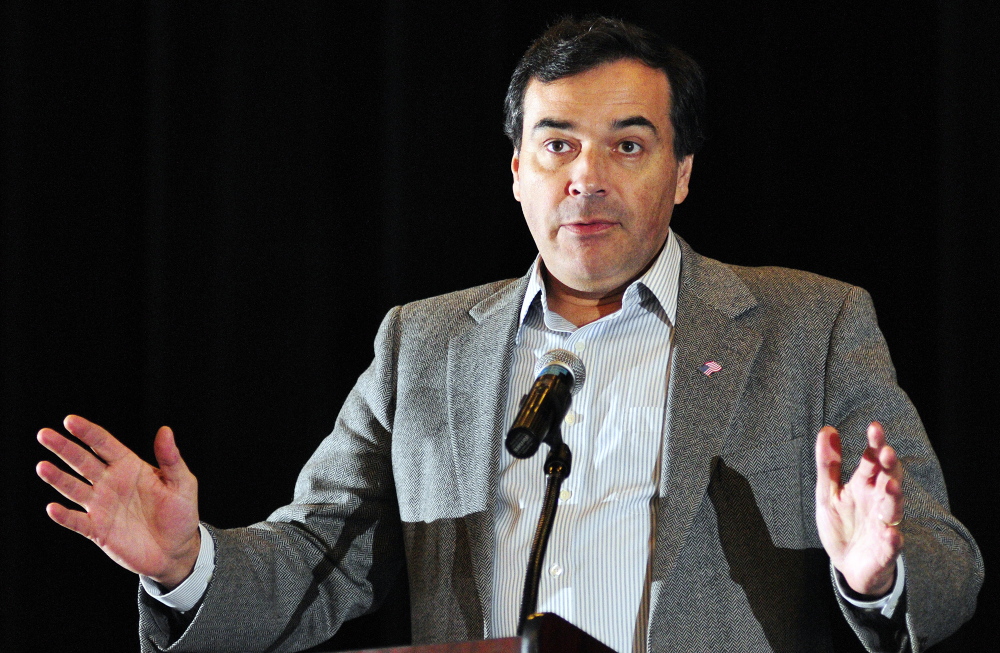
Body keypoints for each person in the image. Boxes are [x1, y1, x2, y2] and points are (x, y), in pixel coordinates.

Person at [36, 16, 982, 653]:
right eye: (558, 142)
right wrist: (185, 561)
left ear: (683, 172)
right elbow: (312, 557)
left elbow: (950, 565)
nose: (587, 175)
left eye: (629, 143)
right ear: (518, 170)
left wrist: (880, 569)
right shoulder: (425, 344)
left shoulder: (810, 325)